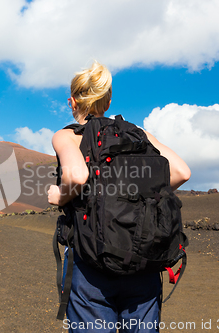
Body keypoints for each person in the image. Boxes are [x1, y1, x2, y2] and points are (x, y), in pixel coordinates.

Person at [47, 61, 191, 333]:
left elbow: (77, 177)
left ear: (72, 101)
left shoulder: (67, 136)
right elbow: (182, 172)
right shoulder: (139, 135)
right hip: (144, 259)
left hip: (90, 265)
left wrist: (60, 197)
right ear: (109, 101)